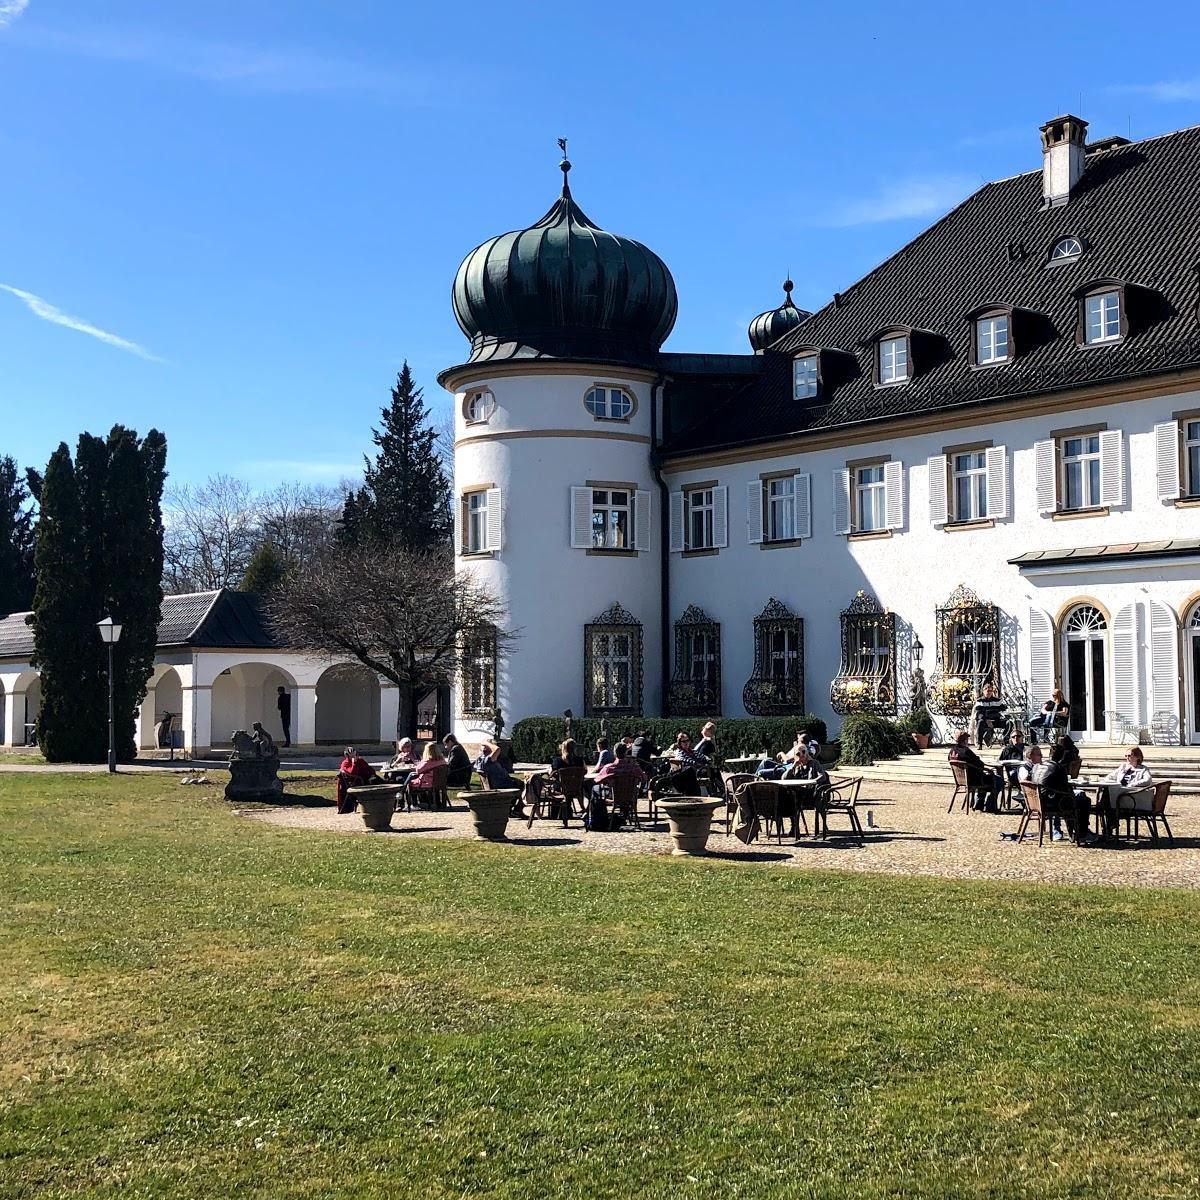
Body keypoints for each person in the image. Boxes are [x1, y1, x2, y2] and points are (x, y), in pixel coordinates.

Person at [1031, 740, 1093, 842]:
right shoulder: (1057, 768)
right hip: (1052, 804)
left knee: (1074, 798)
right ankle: (1082, 833)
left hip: (1038, 801)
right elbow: (1066, 789)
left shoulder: (1037, 766)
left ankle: (1072, 831)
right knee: (1084, 800)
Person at [1096, 746, 1153, 839]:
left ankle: (1109, 824)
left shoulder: (1143, 769)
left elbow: (1147, 780)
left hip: (1132, 796)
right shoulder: (1123, 767)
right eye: (1126, 756)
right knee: (1107, 793)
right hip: (1120, 794)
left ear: (1137, 757)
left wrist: (1132, 785)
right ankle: (1109, 824)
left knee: (1107, 801)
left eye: (1130, 755)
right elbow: (1110, 776)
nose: (1127, 758)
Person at [948, 731, 1002, 813]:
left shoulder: (951, 751)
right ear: (965, 740)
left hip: (962, 779)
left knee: (984, 776)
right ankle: (989, 805)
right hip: (974, 779)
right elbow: (980, 764)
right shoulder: (966, 751)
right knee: (998, 780)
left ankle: (979, 804)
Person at [474, 742, 527, 815]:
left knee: (518, 783)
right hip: (501, 786)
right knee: (524, 785)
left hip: (497, 784)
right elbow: (498, 749)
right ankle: (516, 809)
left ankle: (510, 808)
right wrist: (487, 743)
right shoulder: (488, 760)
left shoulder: (479, 761)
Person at [336, 746, 378, 814]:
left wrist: (372, 774)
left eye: (355, 754)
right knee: (373, 782)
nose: (354, 756)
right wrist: (354, 763)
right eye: (351, 755)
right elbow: (352, 772)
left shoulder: (360, 760)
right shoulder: (345, 763)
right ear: (347, 756)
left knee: (379, 780)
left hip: (367, 778)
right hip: (356, 782)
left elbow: (369, 768)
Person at [406, 741, 446, 808]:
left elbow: (418, 770)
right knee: (415, 779)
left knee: (410, 781)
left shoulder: (428, 762)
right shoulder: (442, 761)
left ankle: (414, 803)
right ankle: (428, 802)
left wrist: (422, 762)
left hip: (428, 782)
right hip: (440, 782)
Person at [972, 683, 1007, 748]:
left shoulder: (997, 701)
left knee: (1009, 723)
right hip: (985, 721)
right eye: (987, 691)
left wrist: (1002, 714)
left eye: (990, 691)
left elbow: (1004, 710)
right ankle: (979, 744)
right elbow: (979, 714)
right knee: (980, 722)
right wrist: (987, 720)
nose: (989, 693)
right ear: (983, 691)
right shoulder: (980, 701)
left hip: (996, 721)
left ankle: (1006, 742)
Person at [996, 728, 1027, 801]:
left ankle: (1026, 793)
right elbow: (999, 761)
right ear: (1010, 739)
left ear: (1022, 738)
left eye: (1018, 736)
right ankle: (1023, 792)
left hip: (1025, 769)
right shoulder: (1007, 749)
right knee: (1015, 774)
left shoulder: (1027, 747)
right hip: (1013, 771)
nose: (1016, 738)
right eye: (1013, 737)